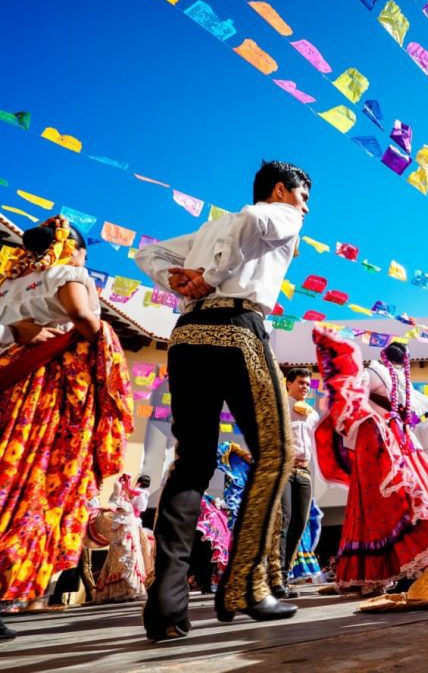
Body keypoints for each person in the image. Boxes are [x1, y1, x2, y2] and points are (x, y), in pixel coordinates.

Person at [136, 160, 310, 640]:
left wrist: (178, 281)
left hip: (188, 337)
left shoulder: (211, 226)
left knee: (192, 463)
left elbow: (146, 253)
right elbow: (256, 222)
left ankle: (166, 609)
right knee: (278, 453)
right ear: (282, 189)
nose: (306, 208)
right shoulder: (276, 214)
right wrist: (212, 277)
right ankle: (245, 585)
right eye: (304, 196)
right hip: (237, 332)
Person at [0, 217, 131, 626]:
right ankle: (12, 583)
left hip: (10, 380)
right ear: (71, 249)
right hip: (49, 387)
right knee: (39, 482)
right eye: (84, 252)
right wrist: (98, 333)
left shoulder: (8, 284)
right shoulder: (69, 273)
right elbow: (82, 316)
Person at [311, 329, 428, 593]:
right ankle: (416, 567)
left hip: (384, 446)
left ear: (383, 355)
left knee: (386, 507)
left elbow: (350, 393)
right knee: (415, 501)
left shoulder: (375, 373)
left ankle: (402, 569)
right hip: (407, 444)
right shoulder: (407, 384)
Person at [267, 367, 319, 600]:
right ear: (288, 383)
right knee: (283, 521)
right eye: (300, 382)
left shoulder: (312, 414)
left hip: (304, 472)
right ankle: (275, 578)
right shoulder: (279, 406)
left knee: (300, 522)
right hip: (284, 470)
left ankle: (284, 576)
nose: (305, 387)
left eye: (308, 384)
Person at [93, 474, 151, 603]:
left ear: (139, 483)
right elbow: (118, 506)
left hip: (129, 526)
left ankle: (128, 588)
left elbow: (124, 504)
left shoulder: (139, 493)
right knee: (123, 555)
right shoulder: (132, 494)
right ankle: (126, 588)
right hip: (127, 527)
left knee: (128, 554)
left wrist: (125, 485)